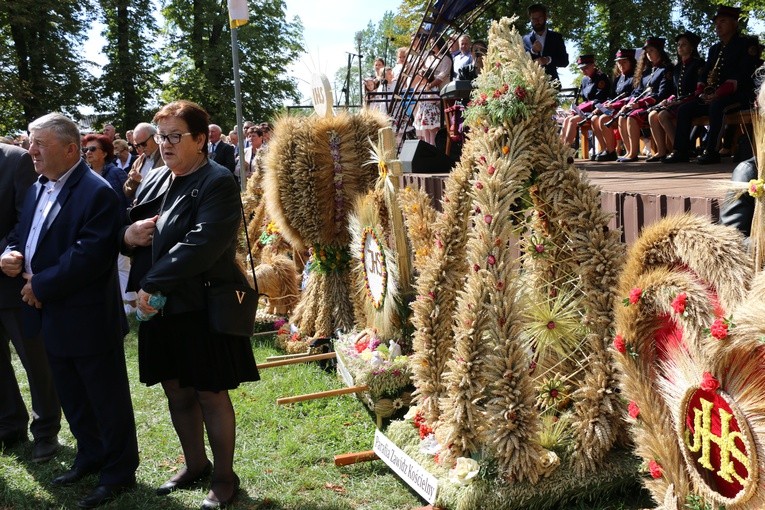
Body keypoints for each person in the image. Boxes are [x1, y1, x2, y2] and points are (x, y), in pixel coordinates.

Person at [121, 100, 259, 509]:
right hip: (161, 309)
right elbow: (132, 230)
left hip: (201, 306)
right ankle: (194, 464)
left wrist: (152, 283)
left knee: (210, 393)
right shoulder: (156, 178)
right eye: (160, 136)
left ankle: (223, 476)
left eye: (174, 136)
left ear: (200, 140)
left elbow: (202, 244)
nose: (164, 144)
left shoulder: (217, 181)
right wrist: (128, 235)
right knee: (176, 391)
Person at [0, 113, 138, 508]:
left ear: (70, 149)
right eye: (30, 142)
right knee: (73, 396)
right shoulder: (38, 186)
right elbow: (21, 231)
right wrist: (10, 251)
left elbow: (89, 255)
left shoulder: (96, 191)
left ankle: (118, 471)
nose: (31, 151)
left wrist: (37, 285)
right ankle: (90, 456)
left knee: (105, 398)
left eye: (39, 144)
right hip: (50, 315)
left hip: (87, 316)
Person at [0, 143, 61, 463]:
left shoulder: (15, 159)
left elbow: (27, 219)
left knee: (35, 362)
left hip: (12, 283)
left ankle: (46, 430)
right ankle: (9, 425)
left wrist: (4, 253)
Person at [664, 5, 759, 165]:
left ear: (735, 23)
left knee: (717, 106)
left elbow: (742, 75)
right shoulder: (714, 48)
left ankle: (712, 151)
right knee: (685, 109)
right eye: (716, 23)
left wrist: (718, 93)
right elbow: (704, 73)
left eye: (723, 21)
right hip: (714, 96)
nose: (718, 26)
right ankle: (681, 150)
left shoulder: (746, 45)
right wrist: (702, 92)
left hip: (738, 95)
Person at [646, 32, 705, 162]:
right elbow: (675, 91)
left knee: (664, 115)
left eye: (684, 45)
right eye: (678, 45)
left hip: (695, 101)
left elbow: (699, 90)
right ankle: (679, 149)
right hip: (680, 102)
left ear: (692, 47)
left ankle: (680, 150)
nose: (680, 47)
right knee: (659, 114)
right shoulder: (678, 67)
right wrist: (669, 100)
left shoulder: (699, 64)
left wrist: (678, 101)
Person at [615, 37, 675, 162]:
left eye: (651, 50)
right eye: (647, 52)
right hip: (643, 105)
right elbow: (638, 91)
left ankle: (659, 151)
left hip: (658, 104)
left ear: (659, 51)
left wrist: (640, 104)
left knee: (632, 116)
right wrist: (630, 103)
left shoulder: (666, 69)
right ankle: (630, 152)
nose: (648, 54)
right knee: (622, 115)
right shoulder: (647, 71)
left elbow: (661, 94)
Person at [590, 48, 637, 161]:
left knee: (603, 119)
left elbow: (633, 96)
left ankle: (614, 151)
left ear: (631, 62)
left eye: (624, 62)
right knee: (595, 118)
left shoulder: (635, 77)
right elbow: (611, 96)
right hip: (615, 109)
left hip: (627, 109)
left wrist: (614, 105)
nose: (621, 65)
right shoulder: (618, 79)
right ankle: (606, 149)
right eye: (619, 63)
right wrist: (605, 104)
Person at [559, 55, 610, 147]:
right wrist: (575, 109)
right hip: (586, 111)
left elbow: (599, 99)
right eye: (581, 69)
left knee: (572, 121)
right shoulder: (584, 80)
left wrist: (582, 108)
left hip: (597, 110)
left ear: (593, 65)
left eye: (586, 68)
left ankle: (565, 150)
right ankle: (560, 147)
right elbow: (583, 98)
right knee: (567, 119)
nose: (583, 71)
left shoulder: (601, 77)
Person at [412, 37, 452, 145]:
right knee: (427, 129)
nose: (431, 45)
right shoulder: (430, 57)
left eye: (433, 43)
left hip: (442, 91)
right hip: (429, 90)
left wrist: (429, 85)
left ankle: (441, 146)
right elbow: (424, 71)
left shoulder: (446, 59)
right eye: (430, 43)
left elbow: (441, 77)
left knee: (439, 124)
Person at [522, 3, 569, 85]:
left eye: (539, 18)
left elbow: (564, 61)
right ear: (530, 19)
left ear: (545, 17)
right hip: (529, 86)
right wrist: (533, 51)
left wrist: (547, 60)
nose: (537, 21)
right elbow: (521, 62)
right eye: (534, 19)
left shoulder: (556, 37)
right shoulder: (524, 39)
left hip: (552, 85)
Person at [124, 122, 164, 202]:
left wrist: (143, 182)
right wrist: (133, 181)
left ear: (155, 137)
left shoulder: (167, 157)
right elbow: (126, 191)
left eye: (143, 144)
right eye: (137, 146)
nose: (141, 148)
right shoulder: (138, 161)